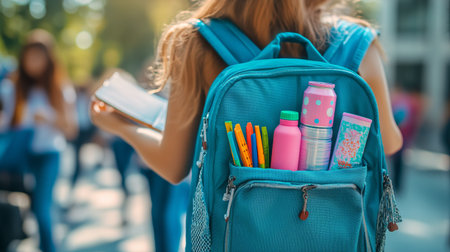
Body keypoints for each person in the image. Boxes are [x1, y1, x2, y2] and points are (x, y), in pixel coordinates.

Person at [91, 0, 402, 185]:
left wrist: (118, 124)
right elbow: (388, 141)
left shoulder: (199, 43)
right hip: (333, 233)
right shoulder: (358, 45)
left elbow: (174, 166)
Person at [0, 30, 78, 252]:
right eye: (30, 56)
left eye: (39, 56)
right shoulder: (13, 88)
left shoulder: (60, 89)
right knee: (27, 209)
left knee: (42, 210)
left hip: (48, 154)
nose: (33, 62)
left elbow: (71, 130)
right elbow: (7, 124)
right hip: (20, 155)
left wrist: (50, 118)